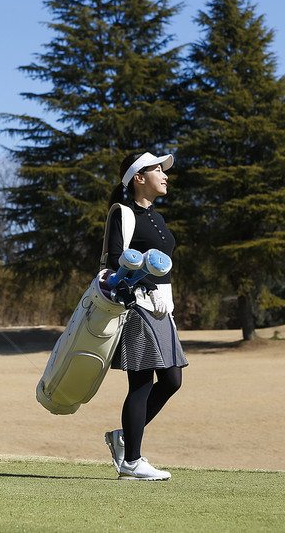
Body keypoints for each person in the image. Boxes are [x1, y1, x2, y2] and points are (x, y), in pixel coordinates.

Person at [103, 151, 188, 481]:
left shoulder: (158, 218)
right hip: (136, 306)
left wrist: (165, 298)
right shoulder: (122, 213)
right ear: (139, 178)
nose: (165, 175)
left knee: (172, 380)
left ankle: (125, 437)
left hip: (162, 309)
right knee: (141, 382)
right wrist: (148, 289)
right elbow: (114, 261)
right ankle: (132, 463)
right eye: (158, 170)